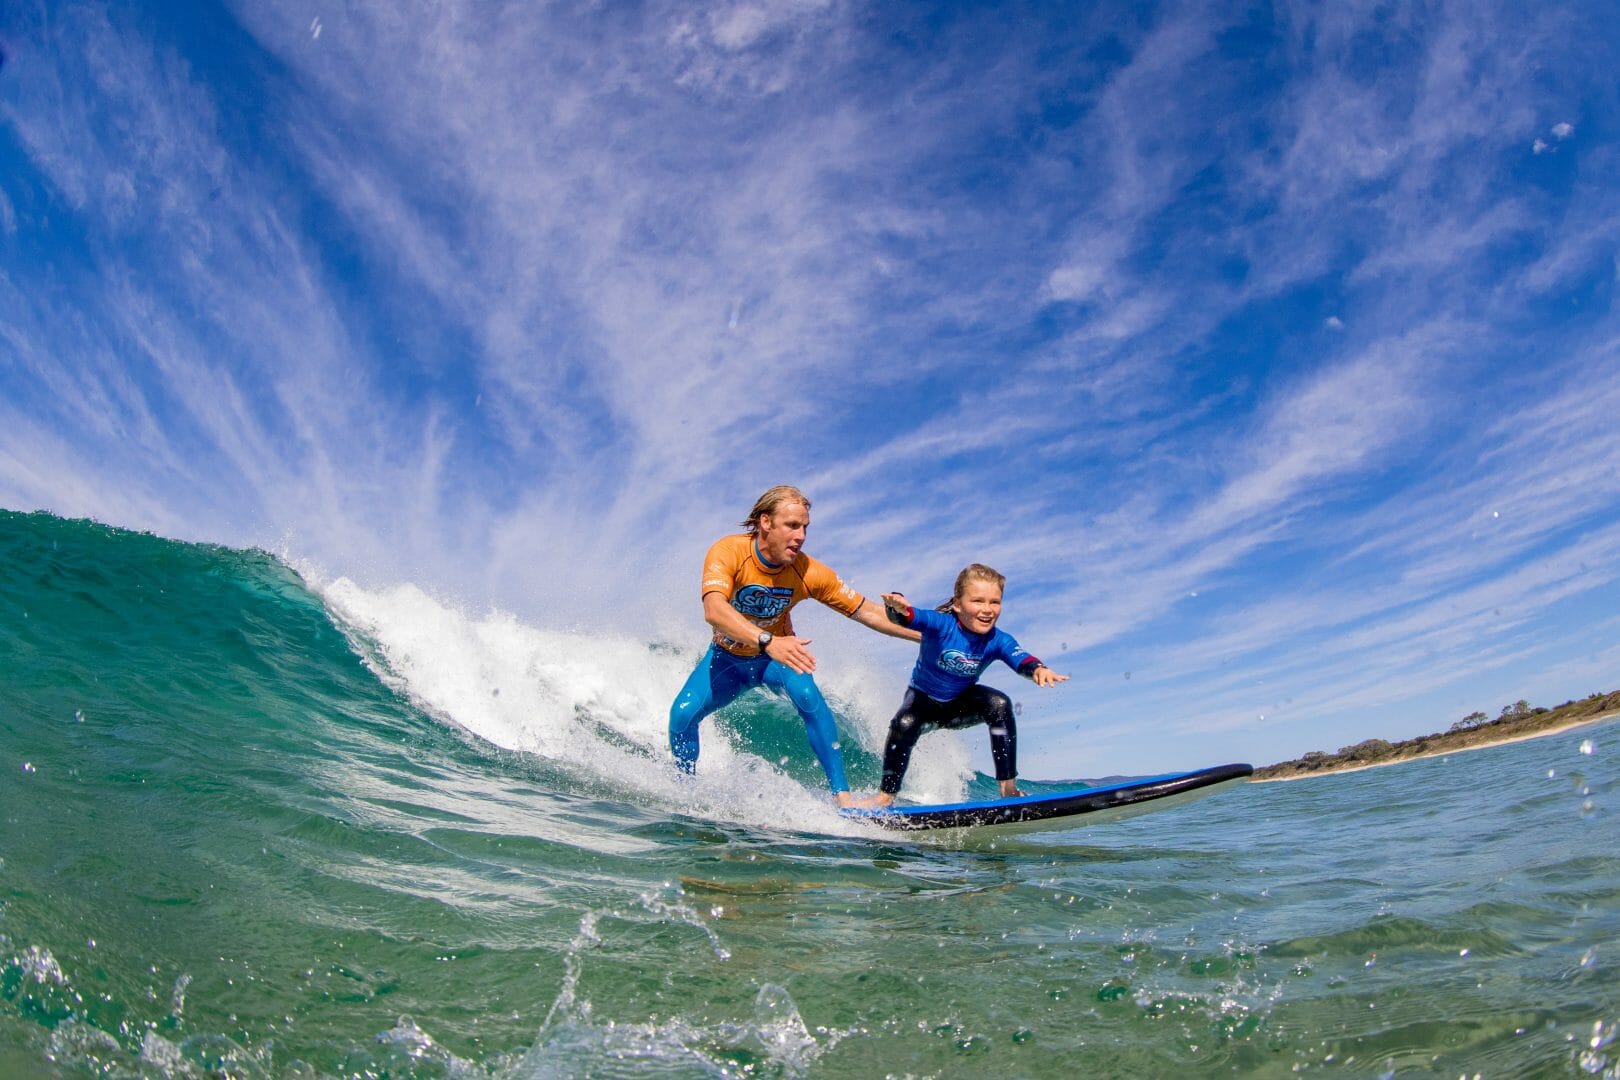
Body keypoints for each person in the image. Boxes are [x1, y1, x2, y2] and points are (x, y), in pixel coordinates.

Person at [668, 485, 921, 806]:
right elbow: (714, 610)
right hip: (728, 659)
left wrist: (925, 635)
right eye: (792, 525)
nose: (801, 536)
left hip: (775, 660)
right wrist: (766, 640)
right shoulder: (729, 552)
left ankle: (843, 798)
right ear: (766, 523)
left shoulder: (808, 571)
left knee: (807, 695)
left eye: (805, 527)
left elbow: (868, 611)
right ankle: (686, 795)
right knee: (682, 716)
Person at [865, 563, 1067, 808]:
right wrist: (897, 608)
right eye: (978, 601)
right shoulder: (940, 625)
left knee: (999, 703)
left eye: (995, 602)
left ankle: (1009, 789)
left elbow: (1020, 658)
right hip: (923, 703)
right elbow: (909, 617)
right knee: (903, 724)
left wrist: (1038, 668)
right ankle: (884, 797)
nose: (987, 609)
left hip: (960, 705)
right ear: (958, 604)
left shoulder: (998, 640)